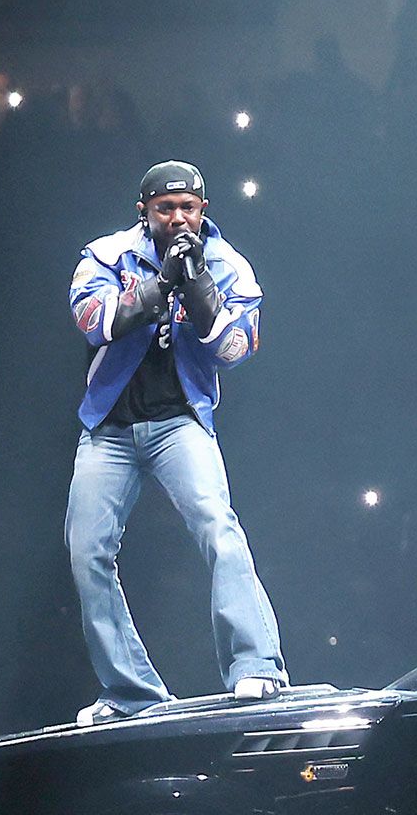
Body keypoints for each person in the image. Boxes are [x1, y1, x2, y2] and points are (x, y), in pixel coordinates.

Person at [64, 161, 285, 721]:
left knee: (218, 525)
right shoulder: (107, 255)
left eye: (188, 207)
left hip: (178, 424)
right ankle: (130, 693)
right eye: (166, 208)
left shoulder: (229, 266)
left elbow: (237, 350)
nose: (178, 218)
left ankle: (257, 667)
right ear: (144, 211)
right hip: (108, 429)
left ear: (203, 210)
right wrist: (160, 284)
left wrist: (200, 288)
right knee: (86, 550)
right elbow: (94, 320)